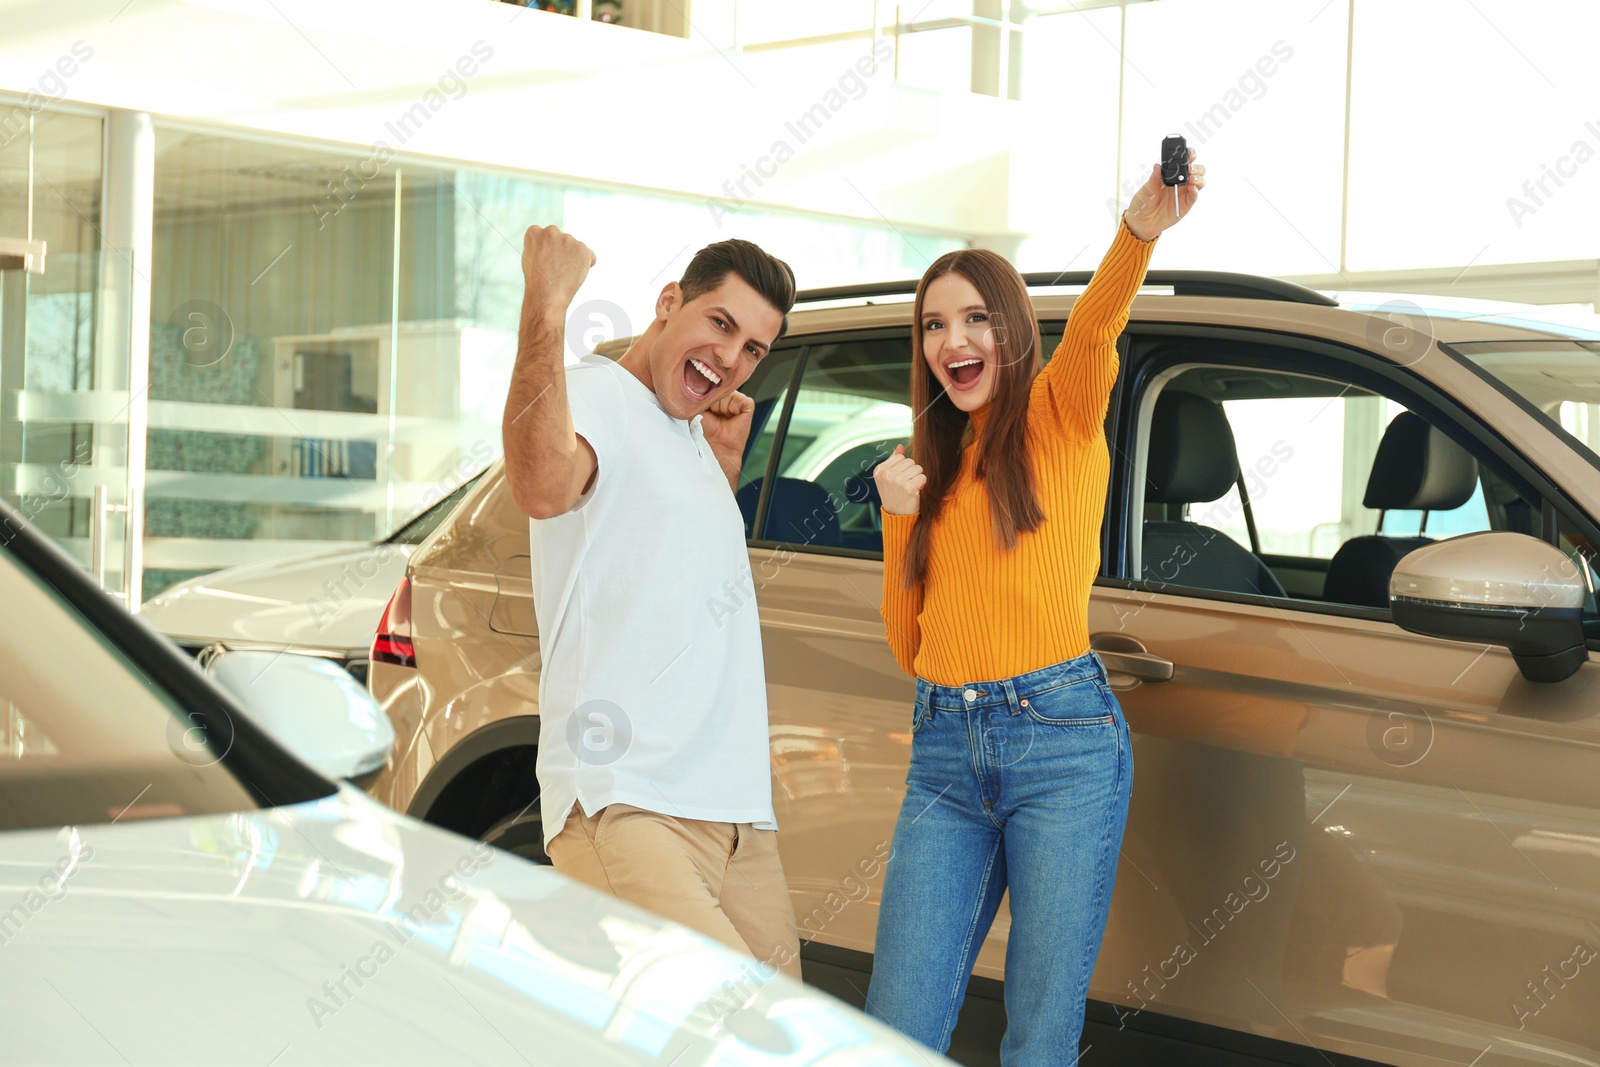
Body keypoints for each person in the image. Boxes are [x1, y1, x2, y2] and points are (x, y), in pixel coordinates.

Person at [866, 150, 1206, 1062]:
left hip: (1062, 742)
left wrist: (1136, 231)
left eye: (976, 316)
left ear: (1010, 328)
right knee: (895, 1032)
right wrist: (900, 522)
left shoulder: (1060, 413)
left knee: (1037, 1043)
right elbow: (913, 649)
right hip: (943, 744)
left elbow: (1096, 329)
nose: (952, 339)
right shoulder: (929, 464)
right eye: (935, 324)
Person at [502, 226, 802, 979]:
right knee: (730, 1032)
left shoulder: (688, 431)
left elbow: (663, 570)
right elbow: (542, 487)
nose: (731, 358)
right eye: (720, 324)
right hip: (628, 801)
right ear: (670, 303)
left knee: (792, 1038)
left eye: (754, 349)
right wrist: (546, 301)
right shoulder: (601, 392)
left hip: (733, 814)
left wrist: (721, 467)